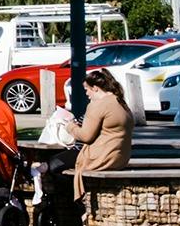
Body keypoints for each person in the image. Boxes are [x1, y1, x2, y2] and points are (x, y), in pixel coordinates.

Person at [54, 67, 134, 201]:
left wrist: (70, 126)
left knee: (53, 164)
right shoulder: (121, 102)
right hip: (119, 158)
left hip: (100, 158)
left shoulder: (98, 105)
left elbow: (86, 136)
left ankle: (68, 208)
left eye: (87, 89)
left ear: (95, 88)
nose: (86, 93)